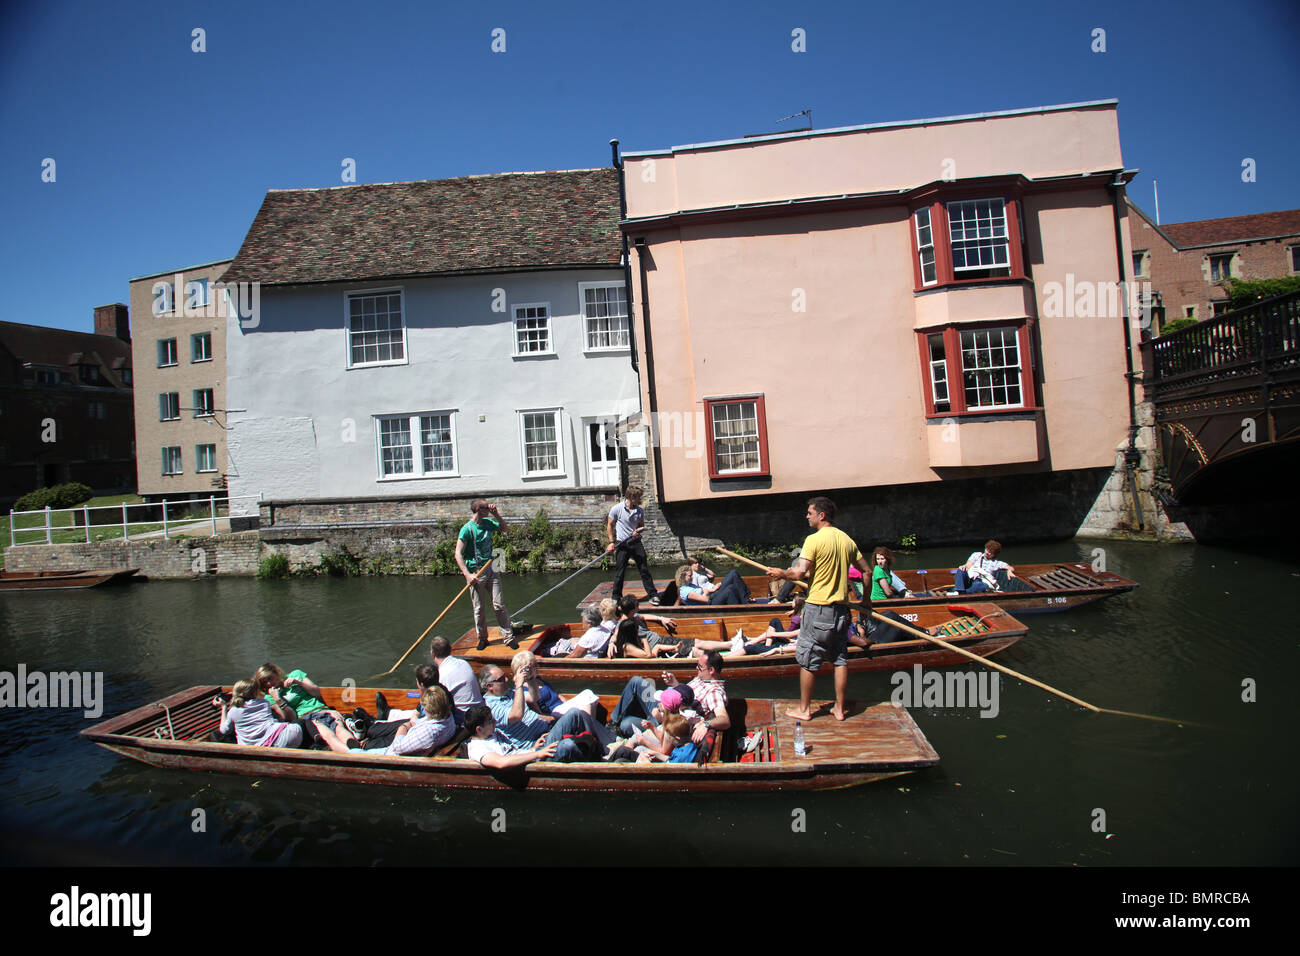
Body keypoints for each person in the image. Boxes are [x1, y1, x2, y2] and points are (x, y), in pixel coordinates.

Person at [766, 496, 874, 722]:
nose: (807, 516)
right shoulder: (846, 540)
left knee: (807, 659)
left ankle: (805, 710)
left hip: (818, 608)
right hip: (842, 611)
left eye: (809, 513)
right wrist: (865, 600)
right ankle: (839, 709)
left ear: (821, 515)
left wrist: (781, 573)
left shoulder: (813, 540)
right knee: (840, 659)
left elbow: (797, 573)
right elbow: (867, 571)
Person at [478, 664, 608, 762]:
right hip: (536, 746)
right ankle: (597, 761)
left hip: (546, 731)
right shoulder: (491, 707)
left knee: (575, 713)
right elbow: (516, 715)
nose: (506, 680)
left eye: (505, 676)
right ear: (489, 686)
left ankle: (606, 746)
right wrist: (518, 685)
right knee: (568, 745)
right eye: (501, 679)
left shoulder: (509, 693)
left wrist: (531, 679)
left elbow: (534, 697)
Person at [609, 649, 731, 744]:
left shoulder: (714, 692)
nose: (696, 668)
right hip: (663, 704)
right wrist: (675, 684)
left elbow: (725, 720)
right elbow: (686, 696)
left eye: (699, 666)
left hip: (666, 720)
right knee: (636, 681)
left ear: (711, 670)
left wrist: (706, 724)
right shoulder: (702, 678)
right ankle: (614, 723)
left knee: (625, 724)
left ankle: (619, 726)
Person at [316, 686, 457, 757]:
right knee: (384, 729)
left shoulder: (428, 733)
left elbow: (397, 747)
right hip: (410, 744)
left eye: (424, 707)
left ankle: (329, 729)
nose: (422, 709)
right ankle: (355, 729)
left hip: (390, 756)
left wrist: (403, 728)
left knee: (351, 752)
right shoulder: (447, 716)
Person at [456, 498, 517, 651]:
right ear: (477, 509)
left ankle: (508, 637)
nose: (489, 509)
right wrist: (467, 575)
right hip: (476, 572)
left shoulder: (488, 523)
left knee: (499, 605)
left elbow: (505, 529)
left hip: (491, 567)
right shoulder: (467, 529)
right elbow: (458, 553)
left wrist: (497, 514)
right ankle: (483, 639)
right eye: (486, 508)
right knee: (479, 608)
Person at [253, 663, 344, 747]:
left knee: (339, 727)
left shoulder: (296, 674)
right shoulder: (270, 697)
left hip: (322, 709)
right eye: (264, 682)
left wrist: (298, 683)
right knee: (329, 734)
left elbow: (317, 692)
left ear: (277, 673)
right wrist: (278, 700)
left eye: (270, 678)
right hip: (307, 718)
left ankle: (354, 747)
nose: (268, 683)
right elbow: (292, 719)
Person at [606, 485, 660, 604]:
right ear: (631, 497)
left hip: (635, 543)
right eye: (638, 497)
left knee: (644, 569)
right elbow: (610, 525)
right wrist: (611, 542)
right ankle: (616, 596)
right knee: (620, 571)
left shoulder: (639, 510)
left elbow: (641, 525)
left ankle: (652, 594)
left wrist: (638, 531)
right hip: (622, 544)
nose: (640, 500)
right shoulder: (617, 509)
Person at [463, 704, 559, 769]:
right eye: (490, 721)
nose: (495, 721)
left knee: (572, 715)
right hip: (529, 764)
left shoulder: (493, 733)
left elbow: (513, 751)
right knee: (567, 745)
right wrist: (537, 754)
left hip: (533, 754)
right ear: (479, 729)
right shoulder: (478, 749)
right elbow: (501, 762)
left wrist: (533, 749)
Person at [219, 678, 304, 748]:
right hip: (287, 736)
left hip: (259, 747)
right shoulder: (264, 703)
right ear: (255, 692)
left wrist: (224, 708)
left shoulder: (233, 711)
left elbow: (224, 730)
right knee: (300, 723)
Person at [430, 635, 484, 715]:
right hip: (480, 708)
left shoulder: (440, 675)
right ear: (450, 649)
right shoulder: (464, 663)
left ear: (432, 654)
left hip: (464, 717)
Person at [546, 599, 617, 658]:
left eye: (583, 621)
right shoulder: (605, 629)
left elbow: (574, 656)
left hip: (572, 653)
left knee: (551, 647)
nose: (582, 623)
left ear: (589, 624)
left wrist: (560, 660)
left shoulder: (588, 637)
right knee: (564, 641)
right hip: (590, 648)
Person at [676, 565, 753, 605]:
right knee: (730, 589)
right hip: (710, 604)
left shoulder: (690, 585)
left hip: (712, 595)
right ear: (683, 577)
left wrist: (713, 589)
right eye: (690, 576)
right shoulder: (686, 591)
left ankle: (745, 600)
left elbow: (703, 590)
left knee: (733, 573)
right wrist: (706, 592)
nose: (692, 577)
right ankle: (742, 606)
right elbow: (706, 600)